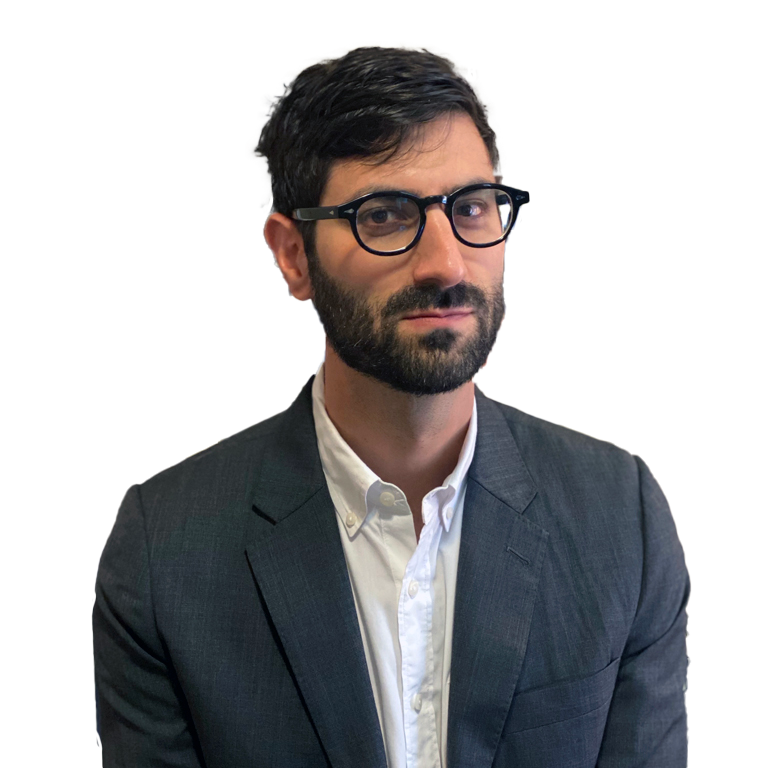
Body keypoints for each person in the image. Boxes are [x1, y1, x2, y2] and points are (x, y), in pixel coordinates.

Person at [93, 46, 690, 768]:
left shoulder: (620, 520)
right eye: (383, 216)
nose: (445, 262)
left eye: (471, 208)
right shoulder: (164, 554)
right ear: (292, 256)